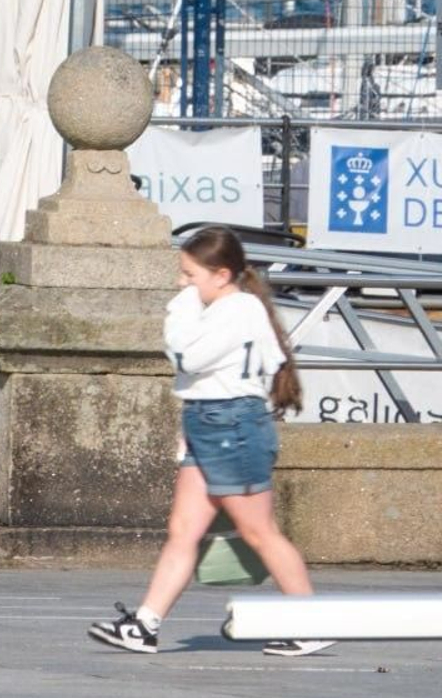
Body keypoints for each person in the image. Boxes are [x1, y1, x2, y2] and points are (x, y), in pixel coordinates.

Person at [88, 226, 331, 658]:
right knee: (183, 530)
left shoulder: (237, 310)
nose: (182, 283)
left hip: (232, 425)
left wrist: (178, 307)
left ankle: (308, 623)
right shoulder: (224, 307)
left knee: (259, 532)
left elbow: (187, 357)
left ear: (221, 275)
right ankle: (145, 624)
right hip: (209, 421)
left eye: (189, 275)